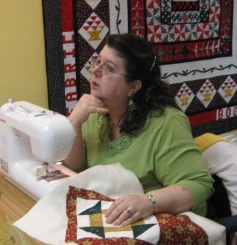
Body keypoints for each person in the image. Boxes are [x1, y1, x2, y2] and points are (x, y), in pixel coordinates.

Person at [63, 33, 214, 225]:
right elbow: (74, 168)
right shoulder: (94, 111)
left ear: (133, 87)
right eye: (97, 61)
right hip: (113, 220)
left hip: (161, 224)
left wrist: (148, 201)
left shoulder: (166, 123)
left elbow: (199, 185)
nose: (95, 71)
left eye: (108, 68)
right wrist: (74, 123)